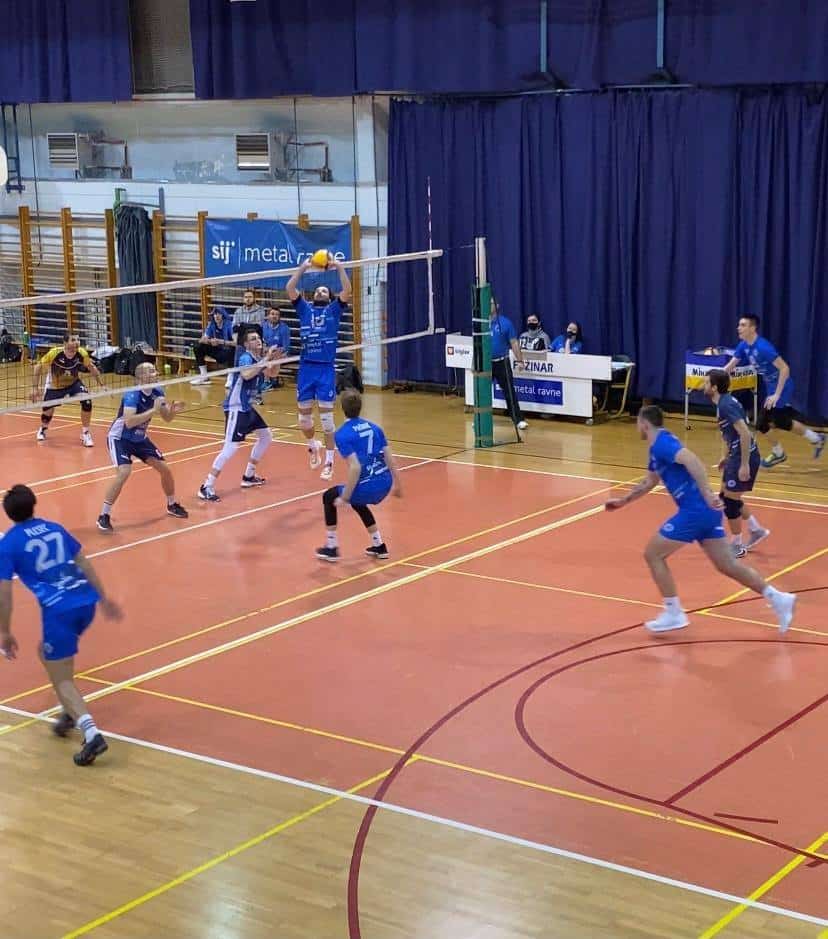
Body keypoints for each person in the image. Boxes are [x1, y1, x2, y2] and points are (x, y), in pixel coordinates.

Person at [604, 405, 795, 634]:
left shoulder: (663, 443)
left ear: (644, 424)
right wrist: (623, 501)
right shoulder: (656, 449)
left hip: (695, 510)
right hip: (705, 513)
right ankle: (779, 598)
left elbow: (692, 460)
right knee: (728, 565)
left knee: (653, 554)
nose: (637, 427)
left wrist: (706, 493)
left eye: (637, 423)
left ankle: (674, 613)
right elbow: (649, 482)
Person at [0, 484, 122, 765]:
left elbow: (4, 594)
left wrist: (4, 631)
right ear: (34, 504)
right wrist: (103, 599)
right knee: (47, 654)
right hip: (85, 604)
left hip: (59, 612)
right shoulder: (55, 528)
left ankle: (91, 734)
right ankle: (70, 710)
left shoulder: (9, 544)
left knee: (62, 679)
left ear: (8, 513)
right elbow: (84, 563)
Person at [97, 362, 189, 533]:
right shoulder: (132, 394)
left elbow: (167, 418)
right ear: (141, 376)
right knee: (124, 472)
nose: (156, 373)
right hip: (120, 438)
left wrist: (173, 410)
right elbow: (129, 422)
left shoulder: (158, 392)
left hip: (140, 439)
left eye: (155, 370)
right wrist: (154, 410)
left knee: (165, 469)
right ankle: (104, 515)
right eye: (151, 371)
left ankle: (172, 504)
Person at [724, 315, 825, 468]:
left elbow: (785, 369)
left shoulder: (763, 348)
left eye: (743, 325)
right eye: (739, 325)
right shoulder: (743, 345)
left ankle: (779, 453)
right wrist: (713, 377)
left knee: (762, 423)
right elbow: (730, 366)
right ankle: (816, 439)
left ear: (752, 328)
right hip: (771, 386)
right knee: (781, 421)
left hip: (782, 386)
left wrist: (777, 394)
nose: (739, 328)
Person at [286, 252, 352, 481]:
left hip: (325, 370)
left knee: (327, 421)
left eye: (324, 290)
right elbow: (290, 288)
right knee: (303, 421)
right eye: (317, 290)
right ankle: (313, 445)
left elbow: (347, 290)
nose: (320, 292)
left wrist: (340, 267)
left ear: (330, 296)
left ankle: (330, 463)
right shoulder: (304, 309)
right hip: (306, 369)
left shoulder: (334, 310)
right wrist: (303, 268)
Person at [315, 390, 402, 562]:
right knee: (358, 501)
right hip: (386, 482)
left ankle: (331, 547)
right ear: (360, 407)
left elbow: (355, 467)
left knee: (329, 496)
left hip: (369, 485)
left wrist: (345, 497)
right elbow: (389, 458)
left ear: (342, 408)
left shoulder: (342, 434)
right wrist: (398, 485)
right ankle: (379, 545)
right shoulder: (375, 428)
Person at [198, 332, 282, 502]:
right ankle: (206, 486)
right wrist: (266, 358)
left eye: (258, 338)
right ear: (246, 344)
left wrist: (276, 360)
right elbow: (246, 375)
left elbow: (272, 374)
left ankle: (248, 476)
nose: (258, 340)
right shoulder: (245, 358)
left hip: (247, 407)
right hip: (236, 408)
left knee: (266, 436)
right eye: (253, 339)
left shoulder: (258, 359)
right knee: (230, 448)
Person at [704, 369, 770, 557]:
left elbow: (745, 434)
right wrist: (725, 456)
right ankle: (756, 530)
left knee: (730, 502)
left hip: (743, 456)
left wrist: (744, 464)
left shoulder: (726, 405)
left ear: (714, 387)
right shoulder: (723, 403)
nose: (703, 386)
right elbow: (729, 434)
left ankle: (737, 545)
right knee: (726, 496)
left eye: (706, 383)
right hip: (735, 455)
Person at [31, 333, 106, 447]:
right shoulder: (54, 353)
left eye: (78, 340)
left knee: (87, 401)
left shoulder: (82, 353)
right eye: (73, 340)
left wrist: (102, 385)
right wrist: (34, 388)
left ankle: (85, 433)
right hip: (55, 386)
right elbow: (38, 367)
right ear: (65, 343)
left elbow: (92, 368)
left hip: (73, 384)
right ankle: (43, 428)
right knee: (47, 412)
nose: (77, 342)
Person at [490, 298, 527, 431]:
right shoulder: (481, 323)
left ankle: (518, 419)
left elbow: (514, 343)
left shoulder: (505, 323)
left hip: (502, 362)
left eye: (491, 303)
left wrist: (520, 360)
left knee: (509, 391)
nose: (488, 305)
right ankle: (480, 420)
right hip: (486, 363)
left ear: (497, 306)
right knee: (482, 392)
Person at [191, 307, 235, 385]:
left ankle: (231, 377)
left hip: (226, 350)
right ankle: (204, 376)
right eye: (215, 314)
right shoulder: (212, 324)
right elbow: (202, 339)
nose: (216, 316)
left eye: (219, 314)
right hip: (216, 349)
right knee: (198, 346)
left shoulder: (229, 325)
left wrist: (220, 342)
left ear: (223, 315)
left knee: (232, 349)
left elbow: (235, 343)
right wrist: (209, 341)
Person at [261, 306, 292, 390]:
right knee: (263, 355)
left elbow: (286, 347)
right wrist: (266, 349)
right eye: (272, 314)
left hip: (281, 353)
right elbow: (261, 342)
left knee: (273, 356)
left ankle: (268, 381)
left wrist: (274, 351)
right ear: (268, 316)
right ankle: (265, 380)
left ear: (279, 317)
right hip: (267, 351)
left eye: (277, 314)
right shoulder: (263, 326)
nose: (274, 316)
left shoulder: (284, 328)